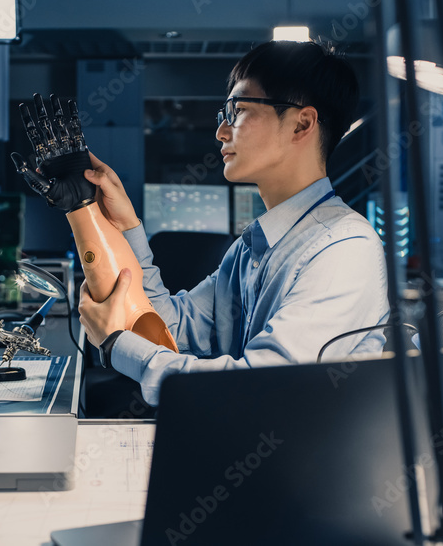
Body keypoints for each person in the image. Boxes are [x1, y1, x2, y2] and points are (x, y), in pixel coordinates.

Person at [78, 40, 390, 406]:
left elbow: (261, 387)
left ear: (301, 124)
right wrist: (125, 225)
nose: (221, 132)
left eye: (238, 110)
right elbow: (174, 327)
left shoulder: (343, 248)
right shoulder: (252, 248)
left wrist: (117, 345)